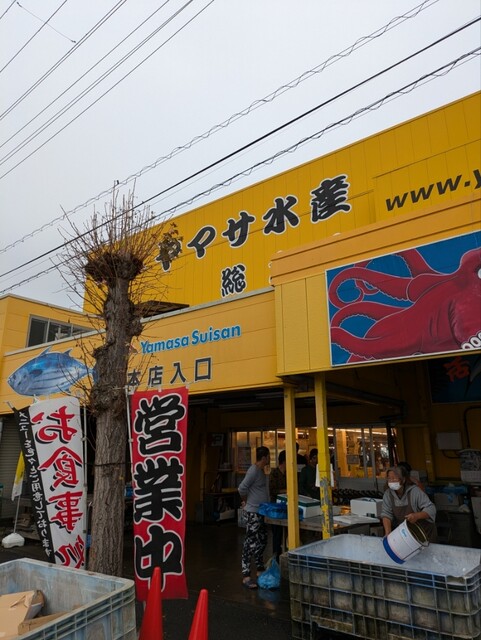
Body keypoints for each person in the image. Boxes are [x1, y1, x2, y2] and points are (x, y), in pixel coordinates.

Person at [238, 445, 270, 589]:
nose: (269, 459)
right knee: (250, 542)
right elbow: (241, 488)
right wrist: (245, 501)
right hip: (253, 512)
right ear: (264, 458)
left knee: (262, 539)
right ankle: (246, 575)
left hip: (261, 512)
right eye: (268, 457)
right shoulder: (253, 471)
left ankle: (259, 568)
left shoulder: (261, 471)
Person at [381, 465, 437, 542]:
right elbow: (386, 514)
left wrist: (416, 516)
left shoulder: (415, 491)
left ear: (403, 480)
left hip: (424, 532)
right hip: (406, 534)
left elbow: (431, 508)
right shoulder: (388, 494)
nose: (391, 481)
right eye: (389, 479)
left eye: (394, 478)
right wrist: (388, 533)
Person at [269, 450, 287, 560]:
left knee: (286, 533)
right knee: (277, 533)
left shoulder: (289, 473)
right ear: (284, 461)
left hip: (286, 507)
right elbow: (272, 490)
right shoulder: (274, 473)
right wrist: (285, 491)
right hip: (276, 508)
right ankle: (276, 558)